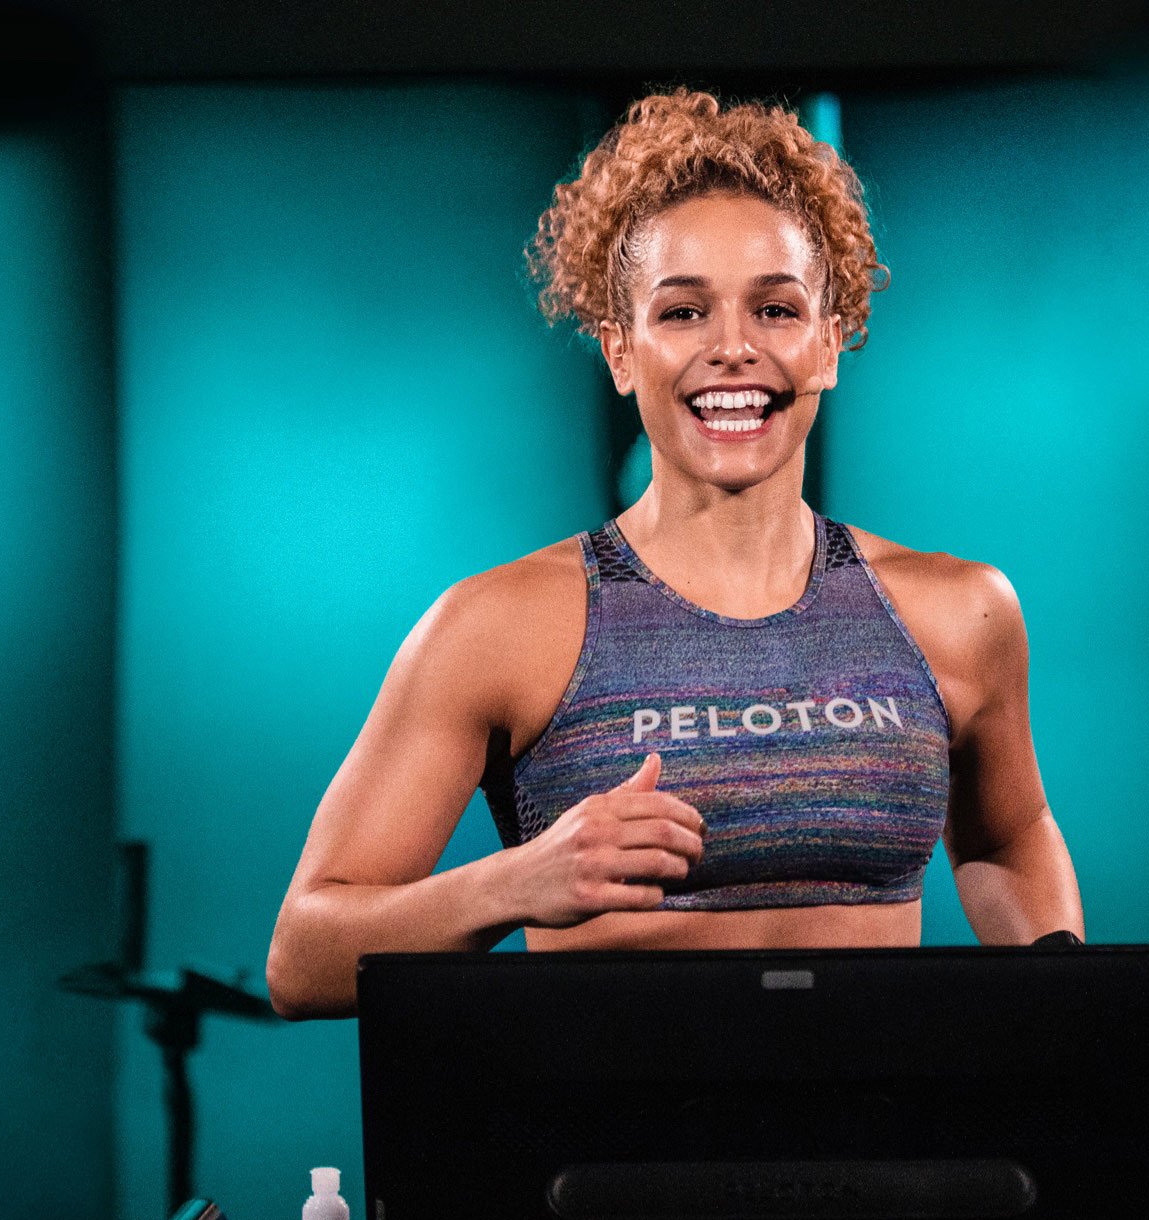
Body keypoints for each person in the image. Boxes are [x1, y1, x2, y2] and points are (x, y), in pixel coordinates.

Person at [267, 91, 1082, 1019]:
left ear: (830, 342)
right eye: (684, 312)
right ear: (621, 352)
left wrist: (1064, 999)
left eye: (776, 310)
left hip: (875, 1154)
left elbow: (1008, 838)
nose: (733, 349)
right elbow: (303, 960)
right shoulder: (499, 626)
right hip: (611, 1157)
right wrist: (513, 884)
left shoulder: (960, 611)